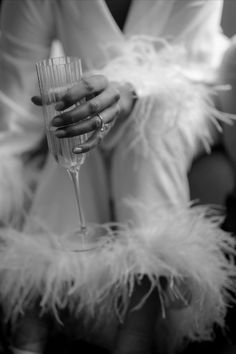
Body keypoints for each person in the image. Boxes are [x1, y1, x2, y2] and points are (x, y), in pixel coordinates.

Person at [0, 1, 235, 354]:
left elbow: (192, 63)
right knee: (71, 129)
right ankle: (42, 290)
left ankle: (138, 316)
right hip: (93, 108)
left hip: (188, 99)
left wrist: (130, 92)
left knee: (151, 126)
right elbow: (15, 111)